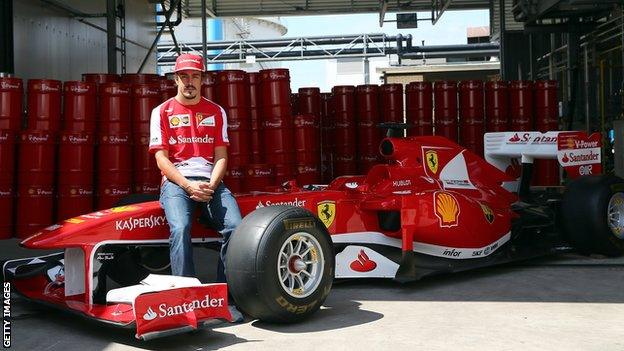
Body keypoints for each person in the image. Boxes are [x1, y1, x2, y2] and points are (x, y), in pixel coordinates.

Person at [148, 53, 243, 322]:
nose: (190, 81)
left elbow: (222, 156)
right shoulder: (161, 111)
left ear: (203, 79)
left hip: (211, 182)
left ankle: (226, 298)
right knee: (180, 228)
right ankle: (185, 301)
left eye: (196, 76)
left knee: (236, 228)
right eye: (185, 76)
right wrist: (189, 185)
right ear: (176, 79)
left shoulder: (216, 111)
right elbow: (161, 159)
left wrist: (211, 186)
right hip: (178, 182)